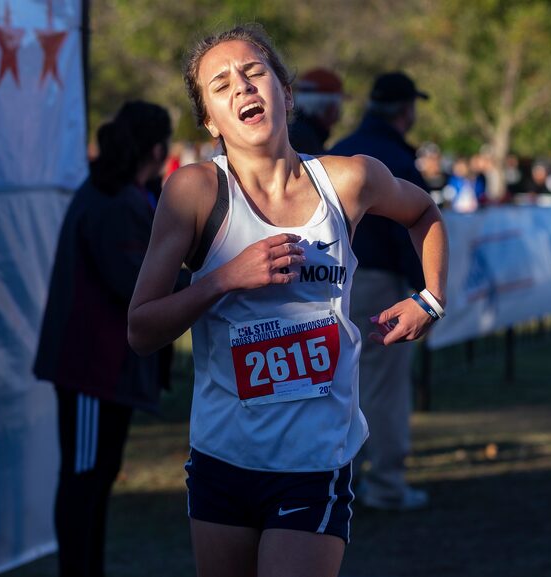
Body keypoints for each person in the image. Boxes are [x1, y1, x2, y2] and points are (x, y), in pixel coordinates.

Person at [128, 25, 448, 577]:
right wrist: (224, 278)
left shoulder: (348, 181)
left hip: (314, 459)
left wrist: (431, 299)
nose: (243, 87)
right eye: (221, 84)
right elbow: (141, 330)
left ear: (285, 92)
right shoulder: (196, 193)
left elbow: (424, 213)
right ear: (209, 119)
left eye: (255, 73)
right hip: (222, 458)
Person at [33, 100, 172, 577]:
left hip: (98, 366)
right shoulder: (117, 201)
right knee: (84, 478)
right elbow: (136, 286)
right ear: (157, 148)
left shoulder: (111, 193)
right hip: (92, 368)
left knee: (94, 475)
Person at [328, 71, 433, 511]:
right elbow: (416, 225)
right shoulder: (394, 157)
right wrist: (425, 292)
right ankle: (387, 484)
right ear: (405, 110)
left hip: (330, 282)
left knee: (337, 386)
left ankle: (339, 481)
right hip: (377, 282)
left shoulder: (337, 151)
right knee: (384, 387)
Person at [287, 67, 346, 155]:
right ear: (330, 108)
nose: (338, 112)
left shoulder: (293, 132)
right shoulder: (306, 141)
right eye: (338, 105)